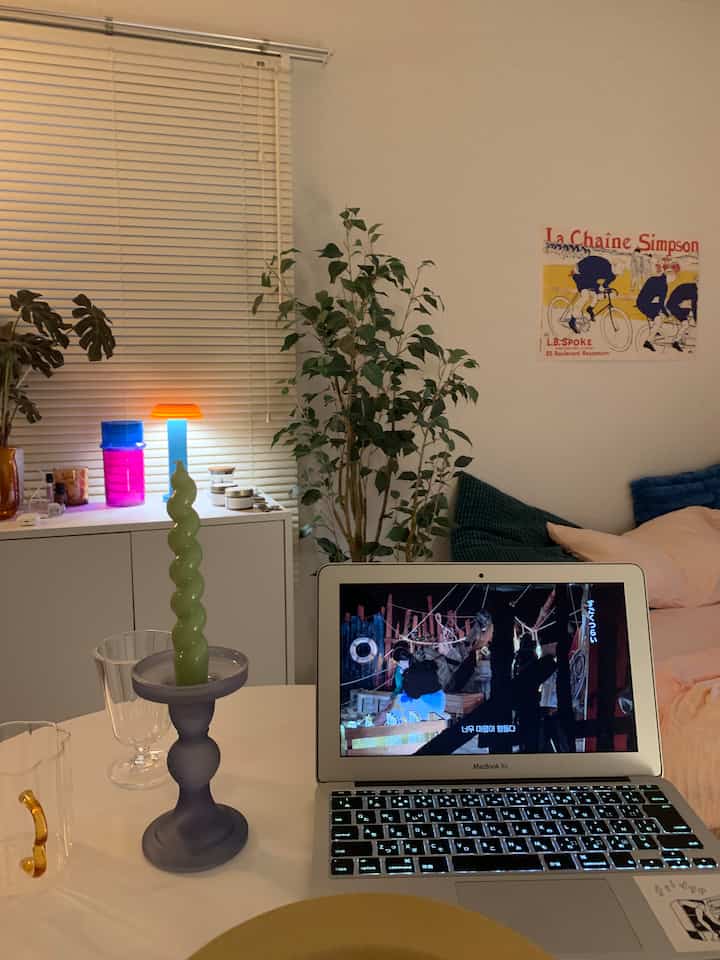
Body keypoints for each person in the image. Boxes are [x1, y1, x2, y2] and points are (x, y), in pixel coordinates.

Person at [637, 262, 680, 352]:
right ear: (669, 277)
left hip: (643, 301)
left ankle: (655, 329)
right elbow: (661, 303)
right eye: (673, 278)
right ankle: (648, 342)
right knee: (659, 319)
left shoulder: (655, 279)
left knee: (660, 313)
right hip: (645, 304)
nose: (673, 281)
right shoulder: (664, 285)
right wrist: (669, 315)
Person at [568, 255, 616, 334]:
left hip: (591, 276)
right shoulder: (603, 266)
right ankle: (572, 320)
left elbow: (605, 284)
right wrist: (598, 288)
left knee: (597, 295)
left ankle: (589, 309)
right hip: (580, 273)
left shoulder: (612, 275)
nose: (614, 276)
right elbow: (590, 275)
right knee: (585, 296)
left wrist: (604, 289)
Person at [665, 281, 698, 353]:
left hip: (677, 304)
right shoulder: (694, 291)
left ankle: (682, 339)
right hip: (673, 306)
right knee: (685, 324)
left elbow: (692, 305)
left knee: (688, 315)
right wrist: (697, 321)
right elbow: (694, 307)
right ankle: (675, 342)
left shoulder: (691, 286)